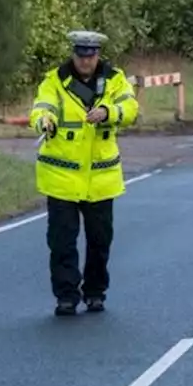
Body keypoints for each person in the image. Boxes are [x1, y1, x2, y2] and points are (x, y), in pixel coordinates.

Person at [28, 30, 140, 316]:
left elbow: (130, 107)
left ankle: (95, 292)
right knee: (62, 242)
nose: (85, 62)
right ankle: (66, 296)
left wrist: (108, 112)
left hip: (101, 179)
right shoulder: (55, 80)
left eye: (90, 56)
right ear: (73, 54)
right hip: (61, 178)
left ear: (97, 55)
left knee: (100, 240)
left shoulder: (115, 79)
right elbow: (42, 106)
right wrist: (44, 121)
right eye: (80, 55)